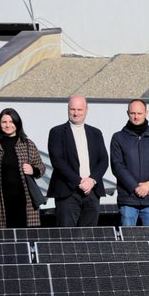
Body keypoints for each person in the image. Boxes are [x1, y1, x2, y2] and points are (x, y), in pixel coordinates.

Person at [47, 95, 108, 228]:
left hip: (92, 192)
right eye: (72, 109)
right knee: (67, 237)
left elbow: (103, 160)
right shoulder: (57, 132)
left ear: (86, 110)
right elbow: (57, 161)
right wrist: (79, 182)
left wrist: (92, 180)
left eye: (79, 109)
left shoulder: (95, 133)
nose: (75, 113)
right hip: (68, 192)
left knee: (88, 237)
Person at [110, 99, 149, 227]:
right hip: (128, 199)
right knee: (128, 241)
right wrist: (135, 187)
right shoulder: (118, 138)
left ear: (146, 113)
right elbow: (117, 166)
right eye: (132, 113)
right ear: (127, 113)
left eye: (139, 113)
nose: (136, 116)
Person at [0, 107, 45, 229]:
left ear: (17, 123)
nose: (8, 125)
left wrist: (33, 170)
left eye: (11, 121)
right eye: (4, 122)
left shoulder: (27, 144)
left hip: (24, 199)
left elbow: (41, 167)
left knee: (25, 236)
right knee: (3, 238)